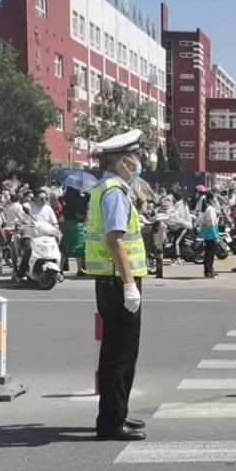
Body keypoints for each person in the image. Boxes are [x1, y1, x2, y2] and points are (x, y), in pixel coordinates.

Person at [86, 129, 150, 442]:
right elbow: (115, 241)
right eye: (135, 157)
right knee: (121, 356)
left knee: (116, 353)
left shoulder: (112, 188)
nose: (138, 162)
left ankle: (117, 413)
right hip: (117, 282)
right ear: (124, 160)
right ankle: (111, 424)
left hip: (112, 281)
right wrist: (129, 286)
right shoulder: (113, 191)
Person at [199, 193, 219, 278]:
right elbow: (211, 223)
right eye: (214, 199)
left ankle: (209, 269)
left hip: (208, 234)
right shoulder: (210, 209)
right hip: (210, 234)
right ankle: (208, 271)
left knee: (209, 253)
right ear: (211, 200)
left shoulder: (209, 209)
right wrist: (215, 236)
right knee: (210, 254)